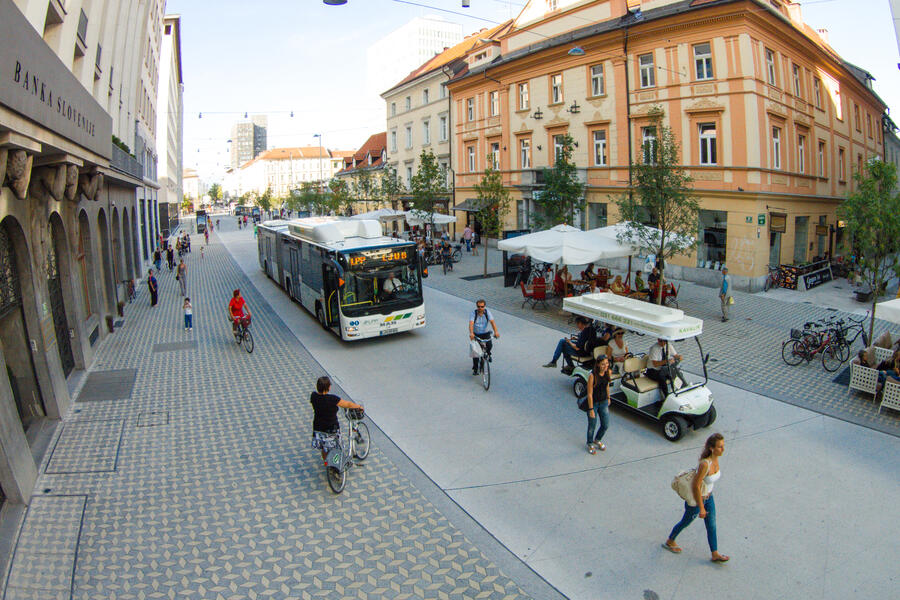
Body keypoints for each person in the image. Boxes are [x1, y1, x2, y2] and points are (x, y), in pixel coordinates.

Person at [663, 432, 730, 563]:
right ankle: (670, 540)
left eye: (723, 446)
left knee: (712, 525)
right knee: (685, 522)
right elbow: (695, 486)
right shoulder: (705, 464)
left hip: (709, 497)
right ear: (712, 448)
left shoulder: (716, 459)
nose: (723, 449)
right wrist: (701, 508)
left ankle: (715, 553)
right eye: (720, 447)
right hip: (697, 501)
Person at [310, 376, 364, 466]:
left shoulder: (314, 396)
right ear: (328, 387)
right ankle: (335, 466)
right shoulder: (332, 399)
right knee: (337, 448)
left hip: (318, 429)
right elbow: (348, 404)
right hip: (331, 429)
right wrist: (359, 406)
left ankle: (327, 463)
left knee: (324, 447)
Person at [585, 355, 612, 454]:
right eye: (603, 364)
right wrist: (591, 408)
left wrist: (608, 397)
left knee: (605, 425)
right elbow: (589, 393)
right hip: (594, 404)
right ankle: (590, 443)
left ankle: (598, 439)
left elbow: (607, 386)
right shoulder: (592, 376)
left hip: (604, 402)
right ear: (598, 365)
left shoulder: (608, 372)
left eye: (607, 363)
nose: (605, 366)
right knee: (592, 425)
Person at [469, 299, 500, 376]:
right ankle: (475, 369)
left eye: (482, 306)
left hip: (485, 333)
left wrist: (496, 332)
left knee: (489, 344)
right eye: (478, 306)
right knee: (475, 352)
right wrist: (471, 333)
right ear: (477, 306)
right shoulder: (473, 313)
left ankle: (488, 354)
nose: (480, 308)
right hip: (476, 334)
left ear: (484, 306)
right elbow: (471, 324)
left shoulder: (487, 312)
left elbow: (492, 322)